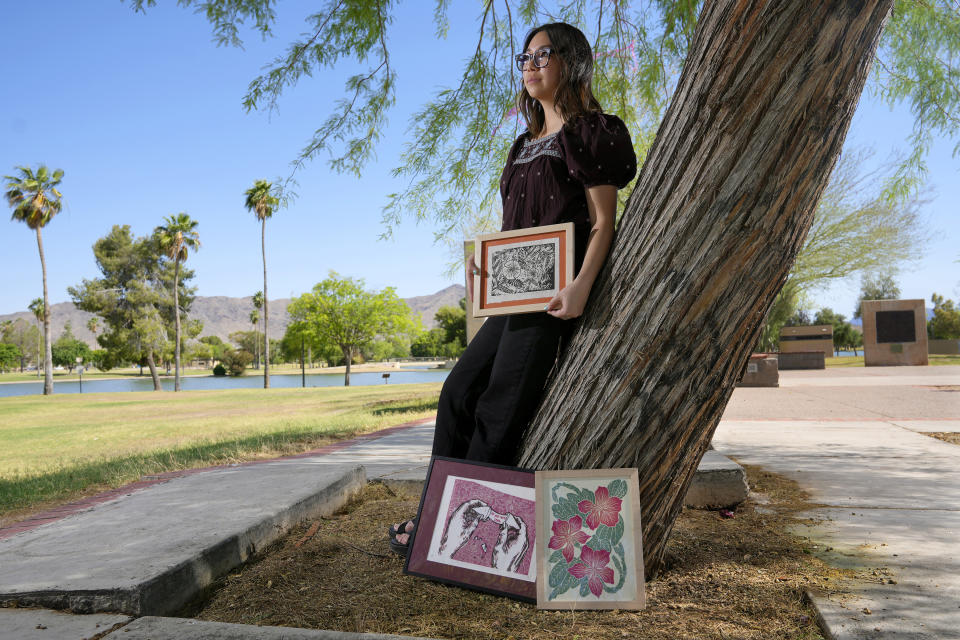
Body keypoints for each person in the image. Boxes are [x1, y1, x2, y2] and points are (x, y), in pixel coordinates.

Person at [390, 21, 637, 555]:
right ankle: (434, 517)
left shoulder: (594, 132)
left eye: (542, 54)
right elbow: (514, 233)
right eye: (523, 57)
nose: (529, 65)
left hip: (552, 301)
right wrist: (489, 276)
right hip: (509, 302)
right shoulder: (523, 145)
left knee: (498, 409)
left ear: (571, 61)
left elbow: (602, 224)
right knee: (457, 392)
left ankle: (458, 540)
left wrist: (579, 288)